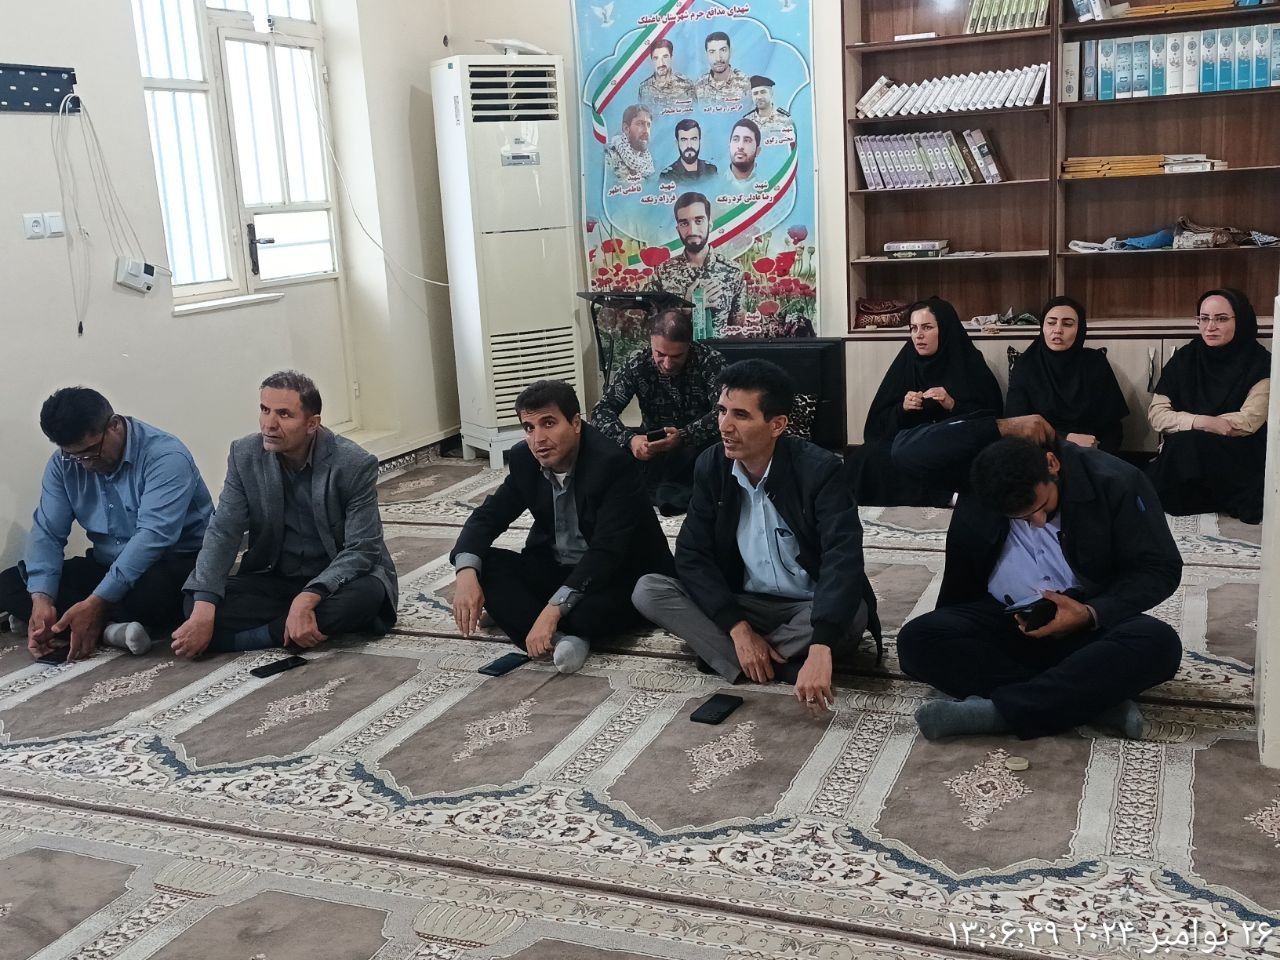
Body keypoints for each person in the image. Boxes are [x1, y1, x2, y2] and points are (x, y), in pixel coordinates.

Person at [892, 415, 1183, 741]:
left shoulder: (1116, 480)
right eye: (1022, 518)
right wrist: (997, 427)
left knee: (1158, 643)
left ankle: (999, 714)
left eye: (1042, 507)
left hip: (1084, 622)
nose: (1039, 522)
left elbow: (1160, 568)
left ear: (1052, 464)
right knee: (918, 640)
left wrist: (1090, 613)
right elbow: (904, 453)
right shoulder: (979, 472)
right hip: (1005, 618)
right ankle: (1090, 702)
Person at [633, 360, 880, 710]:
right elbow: (692, 554)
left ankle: (730, 658)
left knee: (852, 613)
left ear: (777, 425)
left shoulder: (820, 471)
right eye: (722, 411)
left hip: (807, 607)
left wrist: (821, 645)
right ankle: (772, 663)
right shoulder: (711, 465)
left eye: (741, 415)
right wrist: (738, 629)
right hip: (745, 602)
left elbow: (843, 558)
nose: (725, 426)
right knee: (649, 590)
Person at [451, 380, 674, 674]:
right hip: (556, 566)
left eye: (548, 423)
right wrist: (465, 575)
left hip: (617, 574)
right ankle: (561, 639)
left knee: (587, 615)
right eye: (529, 427)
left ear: (575, 423)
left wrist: (552, 610)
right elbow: (487, 517)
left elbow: (607, 552)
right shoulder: (523, 458)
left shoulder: (612, 464)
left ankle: (537, 619)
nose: (538, 439)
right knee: (484, 566)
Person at [171, 371, 397, 658]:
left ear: (312, 423)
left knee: (368, 595)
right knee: (196, 600)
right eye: (264, 410)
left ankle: (255, 637)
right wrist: (204, 608)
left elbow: (362, 549)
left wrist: (308, 598)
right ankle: (295, 625)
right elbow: (223, 532)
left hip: (334, 579)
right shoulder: (244, 454)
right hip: (276, 576)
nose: (269, 424)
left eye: (284, 414)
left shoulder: (353, 464)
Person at [0, 388, 212, 661]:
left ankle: (84, 622)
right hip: (108, 564)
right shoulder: (64, 464)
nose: (85, 465)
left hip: (171, 561)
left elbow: (153, 538)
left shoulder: (165, 457)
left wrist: (97, 601)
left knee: (152, 593)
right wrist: (42, 600)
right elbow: (48, 532)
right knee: (12, 583)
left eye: (91, 452)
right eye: (74, 455)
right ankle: (110, 631)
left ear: (114, 425)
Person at [853, 296, 1003, 506]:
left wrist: (952, 405)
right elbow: (876, 427)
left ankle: (946, 496)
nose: (919, 335)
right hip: (912, 445)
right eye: (913, 328)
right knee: (867, 456)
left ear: (945, 329)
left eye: (927, 327)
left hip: (951, 444)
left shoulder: (969, 364)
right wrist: (902, 409)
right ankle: (946, 497)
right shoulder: (907, 361)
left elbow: (992, 421)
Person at [1146, 288, 1270, 524]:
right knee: (1181, 447)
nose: (1210, 327)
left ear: (1241, 321)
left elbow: (1250, 420)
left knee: (1184, 445)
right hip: (1187, 447)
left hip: (1236, 450)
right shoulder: (1186, 358)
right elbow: (1157, 414)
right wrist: (1201, 422)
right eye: (1204, 318)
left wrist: (1194, 427)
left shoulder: (1260, 362)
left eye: (1221, 319)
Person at [590, 310, 727, 515]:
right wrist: (631, 440)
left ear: (689, 345)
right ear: (651, 342)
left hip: (698, 448)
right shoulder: (638, 363)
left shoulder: (710, 361)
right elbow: (601, 412)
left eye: (677, 356)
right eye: (660, 354)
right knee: (597, 445)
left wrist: (683, 436)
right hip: (653, 448)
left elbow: (725, 412)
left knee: (724, 447)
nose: (667, 364)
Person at [1005, 296, 1130, 453]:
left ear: (1080, 329)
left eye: (1067, 324)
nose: (1058, 330)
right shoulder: (1026, 366)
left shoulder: (1095, 363)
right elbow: (1018, 427)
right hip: (1040, 453)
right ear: (1042, 327)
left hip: (1092, 451)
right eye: (1051, 323)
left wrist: (1102, 457)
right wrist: (1064, 439)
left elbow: (1112, 426)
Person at [651, 192, 744, 336]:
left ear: (710, 224)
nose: (692, 230)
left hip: (718, 350)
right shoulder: (663, 272)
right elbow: (652, 329)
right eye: (684, 223)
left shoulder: (733, 272)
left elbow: (738, 330)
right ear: (678, 229)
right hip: (680, 350)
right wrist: (684, 310)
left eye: (699, 221)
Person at [637, 38, 695, 109]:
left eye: (665, 57)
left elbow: (695, 112)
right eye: (656, 58)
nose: (661, 63)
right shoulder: (643, 88)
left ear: (671, 57)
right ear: (651, 60)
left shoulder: (686, 85)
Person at [603, 104, 655, 182]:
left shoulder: (648, 164)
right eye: (640, 123)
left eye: (648, 125)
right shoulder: (608, 159)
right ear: (626, 128)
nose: (646, 131)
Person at [695, 31, 751, 103]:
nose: (718, 58)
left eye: (723, 50)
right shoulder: (698, 86)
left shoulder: (746, 83)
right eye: (712, 52)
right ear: (706, 55)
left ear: (730, 52)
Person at [724, 119, 762, 187]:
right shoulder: (715, 179)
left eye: (747, 140)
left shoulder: (767, 178)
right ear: (729, 146)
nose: (740, 146)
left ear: (757, 150)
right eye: (735, 139)